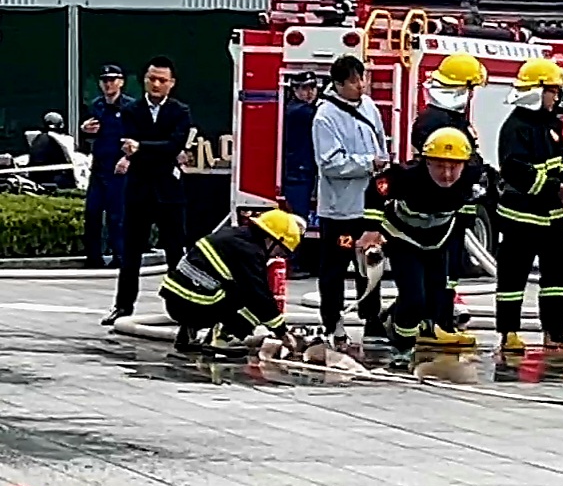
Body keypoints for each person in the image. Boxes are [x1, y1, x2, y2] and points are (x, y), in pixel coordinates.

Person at [496, 58, 563, 353]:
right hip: (521, 216)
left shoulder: (550, 124)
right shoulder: (516, 127)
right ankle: (509, 333)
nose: (557, 97)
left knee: (558, 276)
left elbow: (559, 161)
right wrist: (554, 189)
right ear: (537, 91)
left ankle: (556, 331)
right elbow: (514, 169)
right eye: (553, 91)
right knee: (513, 277)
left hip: (551, 216)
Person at [359, 127, 480, 357]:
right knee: (414, 297)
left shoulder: (472, 176)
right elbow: (376, 190)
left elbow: (467, 208)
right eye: (439, 166)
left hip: (438, 240)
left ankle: (404, 326)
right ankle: (402, 348)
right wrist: (372, 229)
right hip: (403, 237)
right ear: (427, 162)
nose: (446, 174)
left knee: (436, 297)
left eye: (453, 167)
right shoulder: (406, 176)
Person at [103, 58, 192, 326]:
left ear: (171, 83)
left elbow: (174, 145)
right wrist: (154, 150)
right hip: (139, 189)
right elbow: (129, 145)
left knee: (176, 252)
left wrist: (142, 148)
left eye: (162, 80)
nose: (156, 84)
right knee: (131, 253)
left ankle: (183, 306)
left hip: (169, 190)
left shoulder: (180, 111)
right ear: (144, 80)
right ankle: (123, 306)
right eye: (152, 79)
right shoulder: (131, 110)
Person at [312, 55, 389, 347]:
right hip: (340, 210)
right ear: (338, 84)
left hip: (369, 208)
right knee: (334, 269)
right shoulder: (325, 117)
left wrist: (383, 165)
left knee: (371, 264)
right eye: (354, 81)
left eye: (362, 78)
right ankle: (333, 323)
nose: (361, 86)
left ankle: (372, 320)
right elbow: (330, 162)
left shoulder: (369, 107)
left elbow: (380, 141)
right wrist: (369, 163)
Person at [409, 52, 487, 326]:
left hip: (455, 203)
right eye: (470, 88)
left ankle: (442, 319)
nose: (472, 95)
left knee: (450, 268)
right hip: (441, 206)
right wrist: (474, 169)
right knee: (440, 268)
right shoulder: (436, 122)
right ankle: (436, 322)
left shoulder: (450, 119)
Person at [161, 209, 303, 356]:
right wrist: (281, 332)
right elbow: (258, 296)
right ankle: (222, 339)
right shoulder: (249, 251)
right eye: (281, 251)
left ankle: (188, 334)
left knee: (228, 286)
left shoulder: (232, 236)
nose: (278, 256)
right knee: (252, 303)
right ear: (272, 239)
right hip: (195, 305)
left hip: (176, 300)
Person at [82, 65, 133, 268]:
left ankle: (120, 256)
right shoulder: (97, 105)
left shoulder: (131, 107)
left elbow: (138, 137)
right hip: (99, 165)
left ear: (121, 82)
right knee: (92, 212)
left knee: (116, 214)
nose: (108, 84)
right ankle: (93, 257)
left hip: (119, 167)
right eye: (105, 80)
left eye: (112, 80)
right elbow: (89, 134)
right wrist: (86, 130)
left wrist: (128, 159)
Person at [281, 71, 319, 227]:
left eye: (312, 87)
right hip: (297, 175)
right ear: (294, 90)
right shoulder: (297, 111)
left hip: (307, 171)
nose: (310, 92)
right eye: (304, 88)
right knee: (298, 223)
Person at [28, 112, 75, 191]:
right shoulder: (57, 140)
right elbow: (67, 160)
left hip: (37, 177)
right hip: (53, 179)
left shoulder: (38, 139)